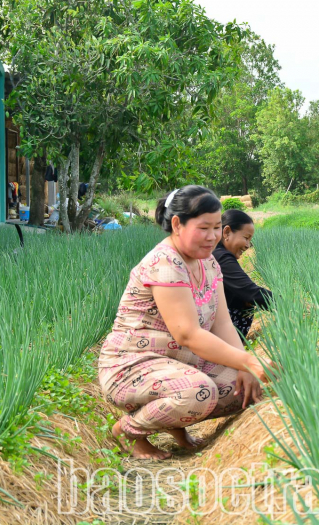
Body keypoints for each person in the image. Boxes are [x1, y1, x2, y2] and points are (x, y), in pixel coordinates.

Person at [98, 186, 274, 460]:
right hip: (132, 366)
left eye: (217, 227)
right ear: (177, 224)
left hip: (180, 364)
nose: (213, 236)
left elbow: (222, 323)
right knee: (199, 392)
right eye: (204, 228)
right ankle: (129, 431)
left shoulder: (209, 263)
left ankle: (174, 424)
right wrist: (248, 362)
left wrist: (244, 363)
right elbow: (188, 334)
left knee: (244, 390)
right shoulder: (165, 262)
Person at [212, 209, 273, 338]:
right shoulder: (221, 257)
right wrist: (289, 305)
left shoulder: (218, 253)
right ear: (226, 232)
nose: (248, 245)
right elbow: (250, 292)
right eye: (246, 238)